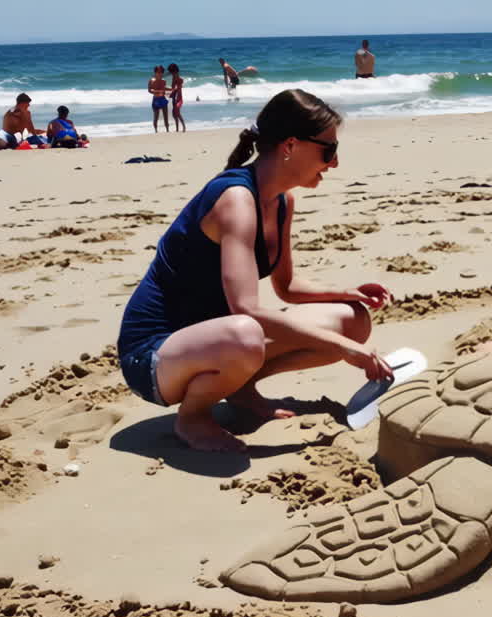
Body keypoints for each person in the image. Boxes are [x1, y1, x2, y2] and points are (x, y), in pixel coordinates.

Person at [117, 89, 394, 453]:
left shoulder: (281, 202)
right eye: (329, 151)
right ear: (290, 145)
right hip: (152, 357)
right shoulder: (236, 200)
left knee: (352, 320)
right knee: (247, 333)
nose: (334, 163)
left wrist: (347, 294)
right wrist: (346, 350)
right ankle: (193, 417)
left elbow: (287, 286)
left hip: (215, 342)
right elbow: (245, 309)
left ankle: (239, 388)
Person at [149, 65, 170, 132]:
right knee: (156, 116)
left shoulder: (164, 81)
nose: (160, 73)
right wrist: (157, 92)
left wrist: (171, 89)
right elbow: (149, 90)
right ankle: (156, 131)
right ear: (155, 72)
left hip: (163, 99)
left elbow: (164, 88)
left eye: (161, 72)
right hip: (156, 100)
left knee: (166, 116)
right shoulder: (152, 80)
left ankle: (167, 130)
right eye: (158, 72)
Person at [168, 63, 186, 132]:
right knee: (174, 114)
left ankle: (183, 127)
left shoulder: (177, 78)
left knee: (177, 113)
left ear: (174, 71)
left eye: (171, 72)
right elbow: (174, 88)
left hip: (178, 98)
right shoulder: (175, 77)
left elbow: (177, 88)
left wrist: (173, 92)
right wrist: (172, 93)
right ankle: (177, 129)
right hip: (175, 98)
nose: (171, 73)